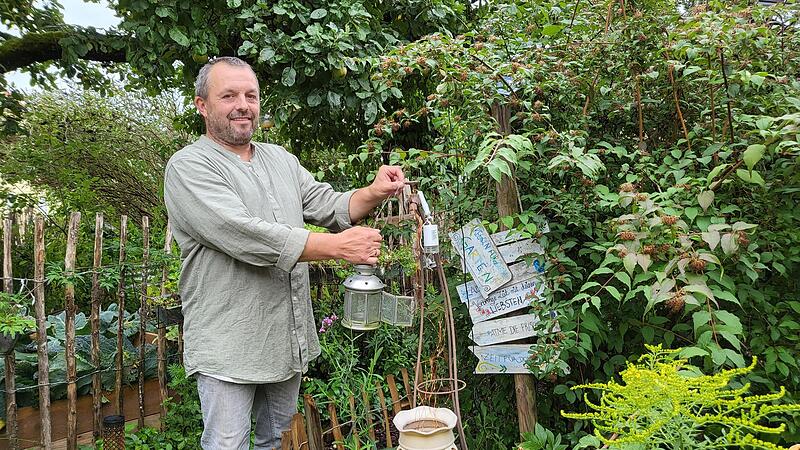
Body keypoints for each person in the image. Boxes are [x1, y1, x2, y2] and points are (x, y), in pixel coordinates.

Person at [163, 56, 405, 449]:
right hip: (229, 342)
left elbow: (330, 205)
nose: (243, 105)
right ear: (202, 105)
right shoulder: (189, 167)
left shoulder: (280, 160)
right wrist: (336, 247)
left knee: (277, 440)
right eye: (229, 96)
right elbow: (246, 235)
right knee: (228, 444)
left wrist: (374, 191)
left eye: (251, 95)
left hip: (283, 339)